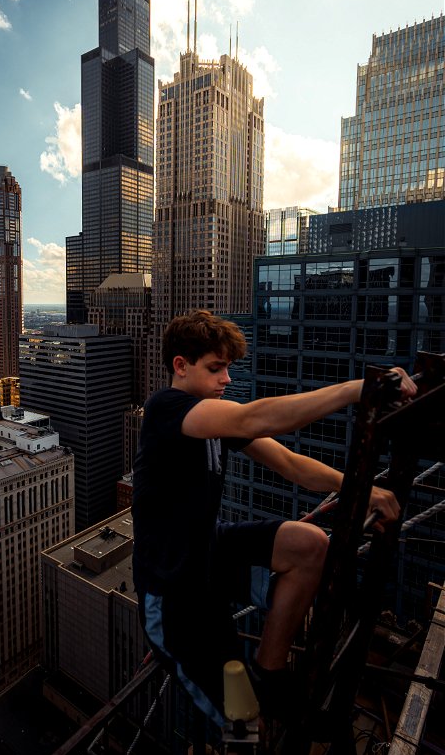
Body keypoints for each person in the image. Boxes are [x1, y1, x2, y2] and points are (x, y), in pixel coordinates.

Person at [132, 310, 416, 731]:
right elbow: (254, 417)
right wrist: (357, 389)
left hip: (208, 556)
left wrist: (360, 489)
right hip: (174, 591)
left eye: (227, 368)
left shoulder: (213, 421)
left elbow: (290, 463)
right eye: (215, 368)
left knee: (310, 544)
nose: (226, 379)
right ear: (181, 365)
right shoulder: (166, 408)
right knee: (244, 723)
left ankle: (271, 673)